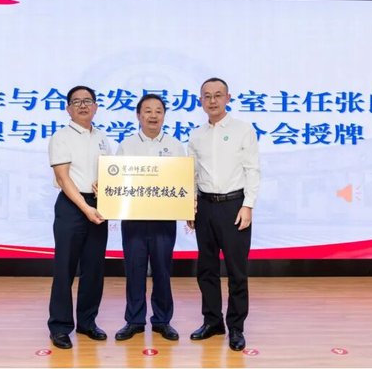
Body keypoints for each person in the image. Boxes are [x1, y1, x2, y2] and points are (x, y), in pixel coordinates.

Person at [187, 77, 260, 351]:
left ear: (228, 98)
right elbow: (192, 175)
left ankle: (236, 327)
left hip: (234, 205)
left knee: (236, 271)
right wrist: (190, 206)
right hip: (205, 206)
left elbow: (253, 170)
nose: (213, 100)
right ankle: (212, 322)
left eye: (218, 95)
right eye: (207, 96)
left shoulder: (243, 130)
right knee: (206, 269)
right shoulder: (196, 135)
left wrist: (248, 205)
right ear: (200, 101)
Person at [114, 94, 185, 342]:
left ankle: (162, 321)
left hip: (164, 219)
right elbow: (117, 180)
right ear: (138, 115)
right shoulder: (127, 145)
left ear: (164, 116)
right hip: (133, 218)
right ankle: (134, 321)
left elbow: (184, 180)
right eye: (147, 111)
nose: (153, 115)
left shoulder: (175, 146)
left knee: (162, 271)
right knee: (134, 270)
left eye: (158, 111)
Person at [47, 85, 111, 349]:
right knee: (65, 269)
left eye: (87, 101)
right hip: (72, 207)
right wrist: (85, 207)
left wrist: (104, 185)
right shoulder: (61, 137)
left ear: (95, 106)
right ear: (68, 108)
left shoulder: (103, 138)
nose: (83, 105)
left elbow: (109, 173)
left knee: (94, 269)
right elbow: (63, 178)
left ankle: (87, 322)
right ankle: (60, 327)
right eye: (76, 101)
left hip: (98, 205)